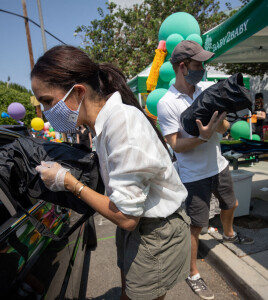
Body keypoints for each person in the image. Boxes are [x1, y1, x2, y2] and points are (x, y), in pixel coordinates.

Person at [32, 45, 191, 300]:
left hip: (154, 230)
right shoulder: (103, 124)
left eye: (48, 101)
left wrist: (70, 182)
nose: (46, 112)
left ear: (78, 92)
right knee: (128, 290)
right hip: (138, 225)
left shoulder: (122, 124)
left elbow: (127, 217)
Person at [157, 40, 254, 300]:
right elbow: (176, 144)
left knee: (231, 203)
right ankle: (193, 273)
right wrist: (202, 137)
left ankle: (229, 234)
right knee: (196, 226)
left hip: (218, 164)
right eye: (198, 64)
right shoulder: (167, 103)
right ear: (182, 66)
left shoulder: (207, 89)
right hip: (193, 175)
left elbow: (223, 129)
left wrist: (220, 126)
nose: (203, 68)